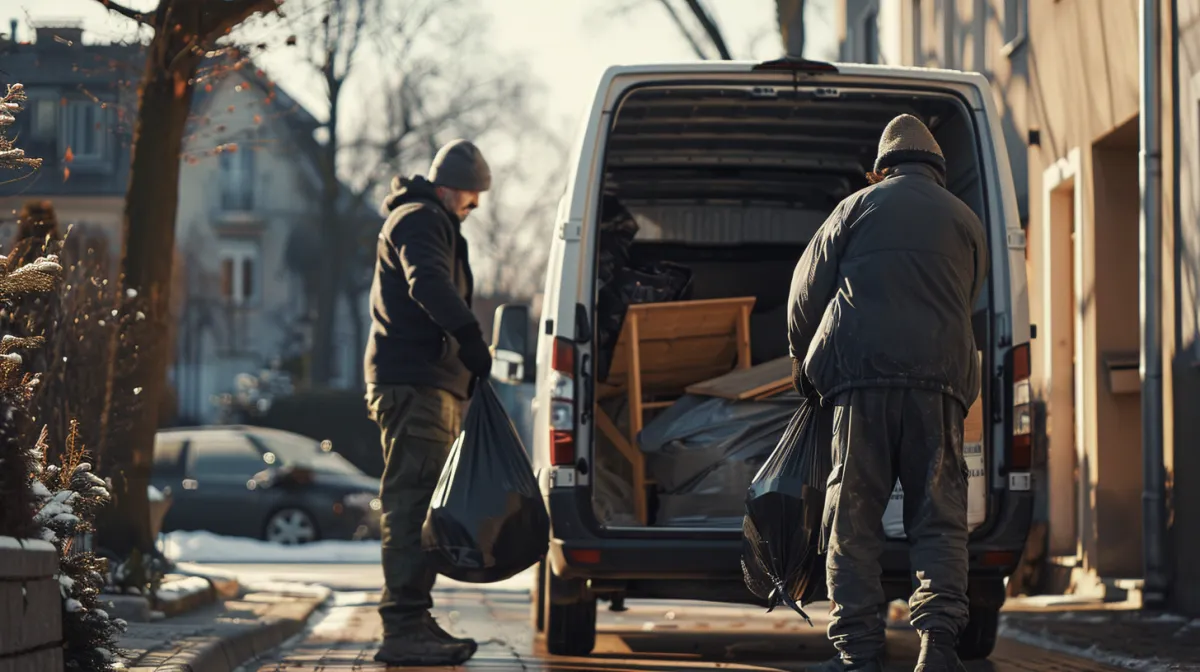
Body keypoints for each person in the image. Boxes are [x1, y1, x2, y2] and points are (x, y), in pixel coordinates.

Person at [788, 114, 988, 672]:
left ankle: (858, 653)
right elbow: (970, 292)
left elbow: (805, 294)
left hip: (861, 382)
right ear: (939, 170)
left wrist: (803, 360)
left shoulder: (854, 209)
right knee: (940, 518)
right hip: (941, 387)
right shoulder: (966, 219)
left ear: (881, 170)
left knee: (852, 520)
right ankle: (939, 646)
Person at [364, 139, 494, 667]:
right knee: (413, 504)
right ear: (449, 188)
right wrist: (468, 336)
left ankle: (414, 617)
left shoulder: (427, 219)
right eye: (472, 194)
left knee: (423, 508)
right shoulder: (419, 220)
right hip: (415, 386)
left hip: (427, 385)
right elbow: (428, 283)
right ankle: (401, 627)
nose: (476, 205)